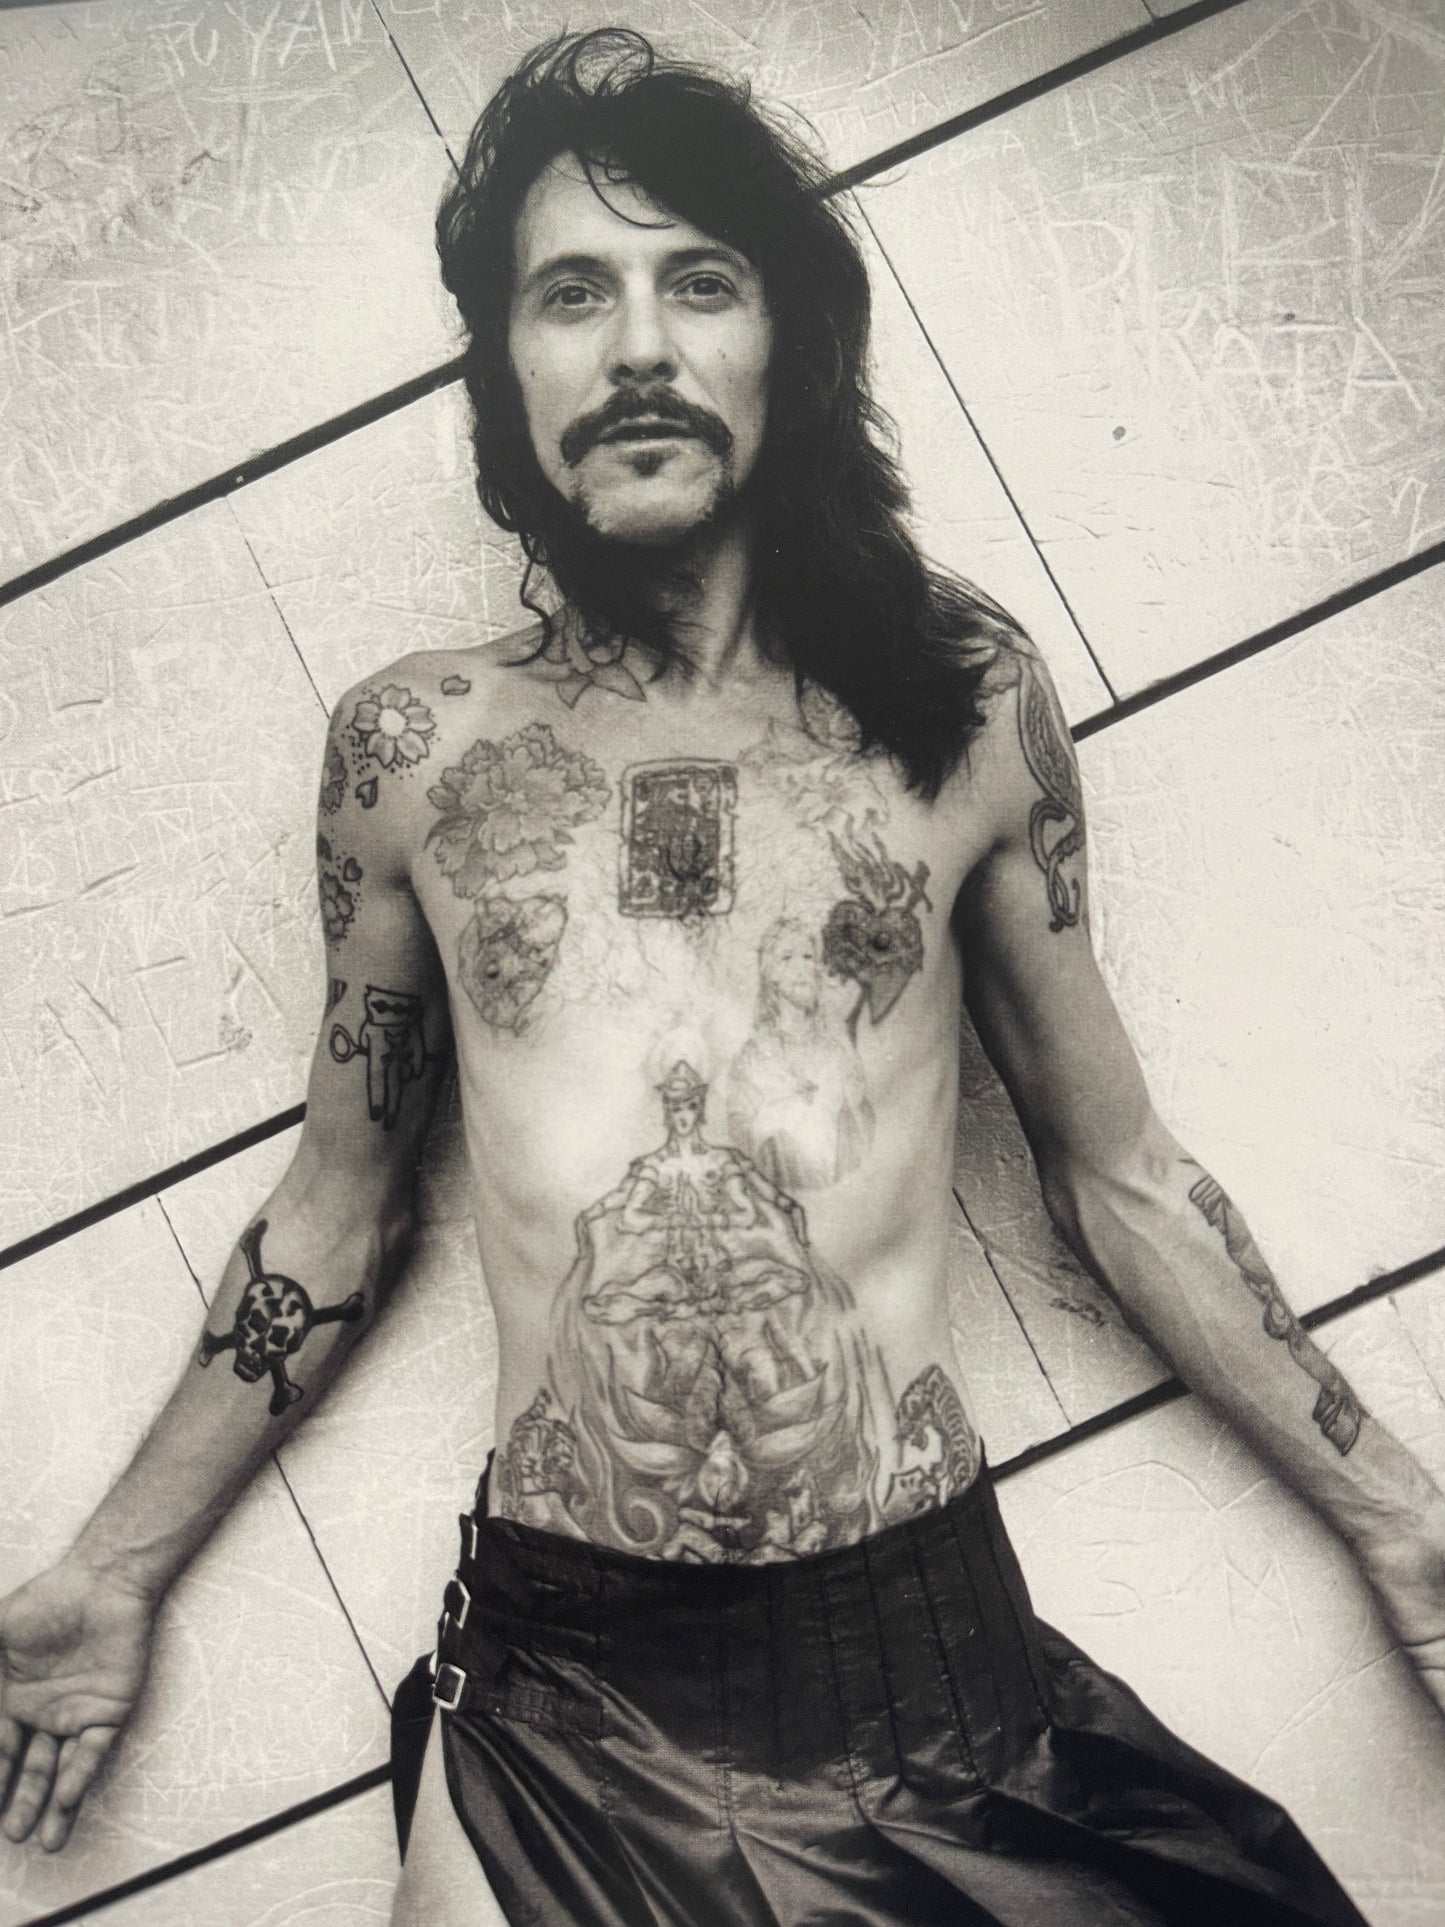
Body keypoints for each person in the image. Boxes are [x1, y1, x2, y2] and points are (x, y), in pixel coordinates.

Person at [2, 28, 1442, 1926]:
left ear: (791, 344)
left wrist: (1403, 1526)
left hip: (931, 1681)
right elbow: (338, 1210)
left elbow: (1120, 1176)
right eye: (568, 295)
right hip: (564, 1708)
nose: (635, 348)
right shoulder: (414, 754)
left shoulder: (960, 706)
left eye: (699, 281)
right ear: (504, 369)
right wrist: (112, 1570)